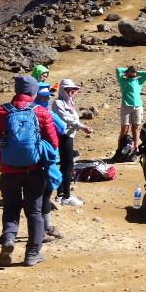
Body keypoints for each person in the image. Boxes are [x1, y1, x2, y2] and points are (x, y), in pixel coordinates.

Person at [0, 75, 58, 266]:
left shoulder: (0, 111)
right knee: (34, 211)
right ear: (34, 91)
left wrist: (5, 160)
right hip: (34, 170)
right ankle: (32, 254)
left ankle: (9, 238)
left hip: (8, 171)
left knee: (11, 207)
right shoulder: (40, 112)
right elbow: (53, 143)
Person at [53, 78, 94, 206]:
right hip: (64, 135)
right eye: (68, 90)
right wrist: (82, 127)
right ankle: (66, 196)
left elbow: (73, 118)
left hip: (69, 135)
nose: (71, 92)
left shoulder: (69, 102)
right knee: (68, 165)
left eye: (72, 90)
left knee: (66, 165)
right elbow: (67, 119)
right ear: (63, 90)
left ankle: (60, 195)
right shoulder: (58, 103)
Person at [34, 83, 66, 240]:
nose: (46, 99)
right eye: (45, 96)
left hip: (26, 159)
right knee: (45, 194)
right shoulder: (45, 112)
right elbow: (62, 128)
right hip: (45, 158)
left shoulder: (21, 109)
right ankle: (45, 229)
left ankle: (9, 234)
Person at [115, 65, 146, 158]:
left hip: (138, 107)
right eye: (131, 74)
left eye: (134, 74)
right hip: (126, 107)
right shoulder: (123, 80)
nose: (133, 75)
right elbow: (118, 70)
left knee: (135, 128)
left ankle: (134, 150)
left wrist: (136, 72)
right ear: (127, 73)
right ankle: (120, 150)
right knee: (124, 130)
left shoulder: (138, 81)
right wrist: (128, 70)